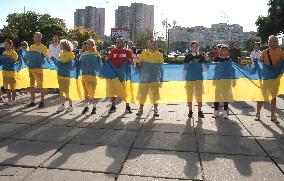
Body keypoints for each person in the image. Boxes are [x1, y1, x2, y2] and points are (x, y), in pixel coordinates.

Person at [255, 35, 284, 123]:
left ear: (277, 43)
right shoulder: (264, 52)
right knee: (261, 97)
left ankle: (273, 115)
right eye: (272, 41)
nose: (274, 43)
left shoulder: (281, 52)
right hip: (266, 79)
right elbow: (260, 65)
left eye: (275, 41)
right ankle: (258, 113)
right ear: (268, 42)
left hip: (276, 79)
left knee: (273, 97)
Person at [136, 39, 164, 117]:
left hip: (155, 78)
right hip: (145, 78)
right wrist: (136, 61)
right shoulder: (144, 53)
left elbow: (161, 67)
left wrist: (161, 79)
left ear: (156, 45)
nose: (153, 45)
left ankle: (155, 110)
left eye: (154, 44)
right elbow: (138, 63)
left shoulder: (159, 54)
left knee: (155, 95)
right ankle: (140, 109)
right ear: (148, 45)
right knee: (142, 94)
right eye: (151, 43)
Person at [107, 37, 133, 114]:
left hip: (124, 76)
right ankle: (113, 106)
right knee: (113, 91)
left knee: (126, 91)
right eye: (116, 42)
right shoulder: (112, 52)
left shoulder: (127, 52)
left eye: (119, 42)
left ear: (123, 43)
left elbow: (131, 62)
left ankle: (127, 106)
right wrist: (106, 60)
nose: (117, 44)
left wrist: (130, 61)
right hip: (114, 76)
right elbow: (109, 61)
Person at [184, 41, 205, 118]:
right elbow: (184, 68)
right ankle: (190, 111)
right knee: (189, 95)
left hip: (199, 78)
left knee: (199, 95)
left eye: (196, 46)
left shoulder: (201, 56)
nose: (195, 48)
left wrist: (206, 57)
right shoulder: (188, 56)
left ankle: (199, 111)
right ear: (191, 47)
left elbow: (206, 66)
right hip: (189, 78)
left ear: (198, 47)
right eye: (193, 46)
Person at [212, 45, 235, 119]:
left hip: (227, 80)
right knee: (216, 96)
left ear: (228, 52)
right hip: (218, 79)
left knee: (225, 96)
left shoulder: (229, 60)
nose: (224, 52)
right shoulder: (217, 59)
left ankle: (225, 113)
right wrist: (213, 79)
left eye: (225, 50)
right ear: (220, 51)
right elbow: (214, 70)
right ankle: (216, 112)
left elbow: (232, 70)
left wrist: (233, 80)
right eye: (223, 50)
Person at [27, 32, 48, 108]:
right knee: (32, 85)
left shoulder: (44, 47)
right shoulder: (31, 47)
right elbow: (28, 57)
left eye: (38, 37)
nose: (37, 39)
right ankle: (32, 101)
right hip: (31, 68)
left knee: (41, 85)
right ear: (34, 38)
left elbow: (45, 58)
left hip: (39, 69)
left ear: (41, 38)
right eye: (35, 37)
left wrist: (42, 54)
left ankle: (42, 101)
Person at [80, 39, 100, 114]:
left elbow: (99, 65)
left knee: (94, 92)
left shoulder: (96, 54)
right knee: (86, 92)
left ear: (93, 45)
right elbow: (80, 64)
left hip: (93, 76)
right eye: (87, 44)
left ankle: (94, 107)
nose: (87, 45)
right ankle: (86, 106)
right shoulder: (84, 54)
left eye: (89, 44)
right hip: (84, 75)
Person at [56, 39, 75, 113]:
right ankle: (62, 105)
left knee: (68, 91)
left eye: (60, 44)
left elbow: (71, 64)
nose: (59, 46)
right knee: (62, 91)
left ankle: (70, 106)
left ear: (64, 45)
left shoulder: (71, 54)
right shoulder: (61, 54)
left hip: (68, 75)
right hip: (60, 74)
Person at [2, 39, 18, 105]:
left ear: (11, 45)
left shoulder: (14, 53)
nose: (5, 45)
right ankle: (9, 99)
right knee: (6, 87)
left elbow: (15, 63)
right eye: (5, 44)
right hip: (4, 72)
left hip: (11, 73)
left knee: (13, 87)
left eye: (7, 44)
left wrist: (10, 58)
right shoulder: (4, 53)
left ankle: (13, 100)